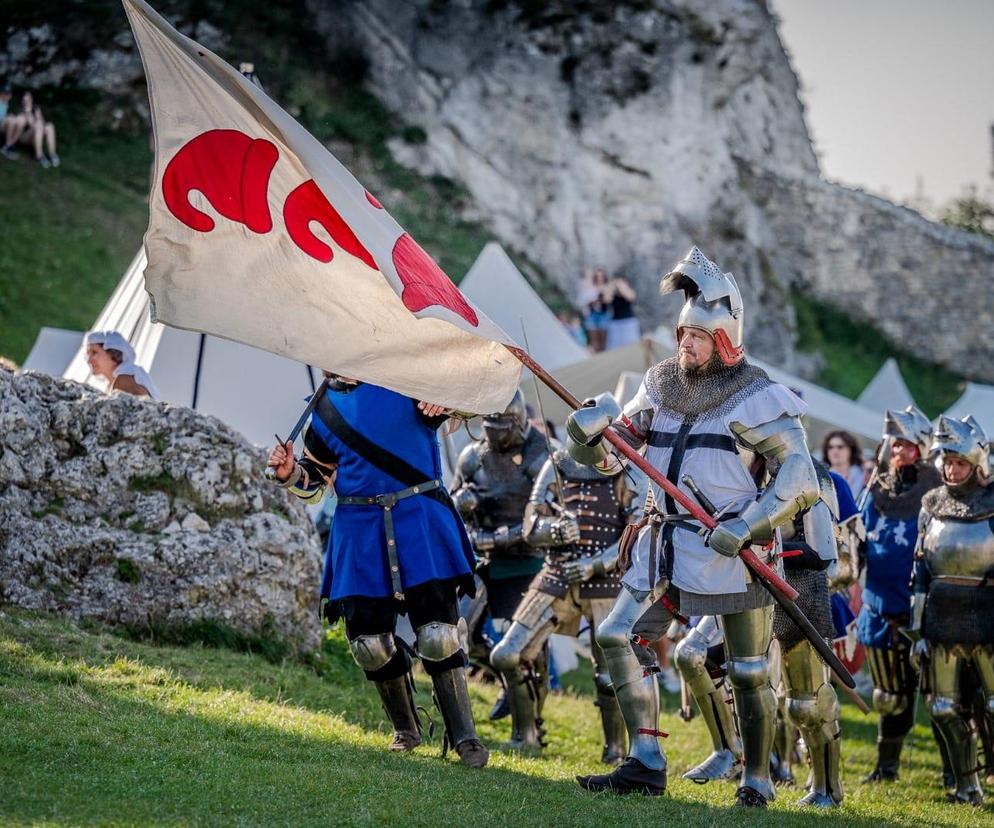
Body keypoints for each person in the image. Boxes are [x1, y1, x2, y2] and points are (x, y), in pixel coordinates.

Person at [567, 246, 819, 807]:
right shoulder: (658, 384)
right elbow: (617, 456)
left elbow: (801, 475)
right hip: (662, 541)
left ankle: (756, 779)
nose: (686, 346)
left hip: (730, 547)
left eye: (698, 338)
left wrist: (751, 524)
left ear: (725, 339)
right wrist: (585, 437)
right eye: (683, 335)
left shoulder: (756, 391)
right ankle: (646, 759)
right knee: (615, 634)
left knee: (749, 670)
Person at [266, 376, 489, 768]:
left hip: (418, 518)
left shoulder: (405, 379)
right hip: (360, 528)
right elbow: (317, 480)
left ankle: (464, 736)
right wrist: (290, 474)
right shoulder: (321, 409)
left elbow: (472, 400)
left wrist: (446, 398)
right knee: (368, 643)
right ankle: (405, 729)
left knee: (438, 634)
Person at [676, 460, 849, 807]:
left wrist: (766, 549)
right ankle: (727, 750)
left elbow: (827, 556)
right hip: (743, 586)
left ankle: (827, 787)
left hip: (797, 592)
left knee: (806, 705)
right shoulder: (736, 471)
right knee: (690, 654)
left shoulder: (811, 475)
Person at [489, 447, 641, 760]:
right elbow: (532, 523)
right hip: (558, 574)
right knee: (507, 654)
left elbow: (638, 530)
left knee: (609, 673)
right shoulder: (559, 461)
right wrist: (554, 529)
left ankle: (615, 750)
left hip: (608, 579)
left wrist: (597, 563)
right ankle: (526, 736)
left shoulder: (628, 464)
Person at [450, 389, 554, 729]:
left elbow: (548, 513)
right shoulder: (471, 457)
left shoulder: (541, 458)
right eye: (490, 423)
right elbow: (452, 506)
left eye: (503, 423)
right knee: (464, 634)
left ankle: (531, 723)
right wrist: (465, 509)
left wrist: (503, 536)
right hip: (481, 559)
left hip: (525, 560)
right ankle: (507, 684)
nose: (496, 431)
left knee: (524, 648)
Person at [909, 415, 994, 806]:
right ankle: (966, 785)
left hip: (987, 618)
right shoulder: (931, 505)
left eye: (959, 462)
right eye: (946, 461)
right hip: (941, 619)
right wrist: (917, 631)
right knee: (941, 707)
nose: (951, 469)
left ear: (976, 463)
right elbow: (921, 572)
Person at [856, 406, 940, 783]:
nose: (899, 452)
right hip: (879, 608)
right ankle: (885, 768)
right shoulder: (876, 487)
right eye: (896, 445)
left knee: (944, 701)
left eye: (907, 446)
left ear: (921, 448)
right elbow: (856, 536)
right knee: (889, 698)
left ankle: (959, 774)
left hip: (928, 612)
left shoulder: (938, 492)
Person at [85, 330, 160, 399]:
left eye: (94, 353)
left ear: (113, 354)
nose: (89, 360)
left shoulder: (125, 379)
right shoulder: (116, 381)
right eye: (88, 354)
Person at [2, 91, 59, 167]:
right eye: (24, 100)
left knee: (49, 126)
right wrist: (28, 113)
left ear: (31, 100)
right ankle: (39, 156)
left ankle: (52, 154)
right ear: (22, 101)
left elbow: (41, 121)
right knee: (37, 128)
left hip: (37, 133)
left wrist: (39, 118)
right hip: (23, 137)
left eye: (28, 100)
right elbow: (30, 124)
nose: (26, 102)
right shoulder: (20, 110)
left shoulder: (35, 109)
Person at [822, 430, 866, 500]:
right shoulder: (822, 477)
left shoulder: (863, 476)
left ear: (850, 450)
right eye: (830, 447)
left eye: (840, 447)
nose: (835, 451)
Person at [605, 273, 640, 350]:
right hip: (615, 322)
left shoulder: (630, 291)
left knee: (631, 346)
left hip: (628, 322)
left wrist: (621, 286)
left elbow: (631, 297)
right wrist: (611, 286)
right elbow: (607, 300)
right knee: (614, 347)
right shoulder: (612, 293)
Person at [580, 269, 611, 352]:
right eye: (597, 276)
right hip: (592, 314)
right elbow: (585, 300)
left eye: (601, 276)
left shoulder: (606, 287)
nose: (599, 278)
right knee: (593, 338)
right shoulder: (590, 287)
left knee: (603, 339)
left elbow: (608, 300)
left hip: (603, 314)